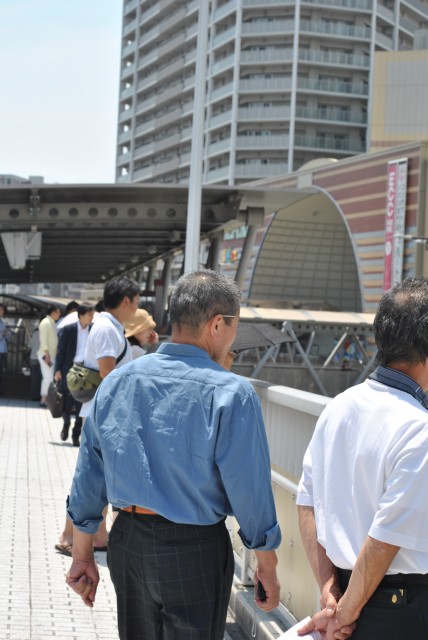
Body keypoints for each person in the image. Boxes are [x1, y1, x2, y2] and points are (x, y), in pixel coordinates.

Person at [65, 269, 281, 640]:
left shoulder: (119, 380)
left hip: (128, 540)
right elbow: (249, 487)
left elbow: (89, 471)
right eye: (233, 327)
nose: (232, 337)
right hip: (196, 546)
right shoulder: (232, 393)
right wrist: (266, 563)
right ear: (217, 325)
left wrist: (82, 554)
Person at [296, 277, 428, 640]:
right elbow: (386, 536)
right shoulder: (419, 426)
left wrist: (329, 592)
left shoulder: (338, 407)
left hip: (344, 591)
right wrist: (345, 613)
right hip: (399, 607)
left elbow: (307, 500)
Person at [55, 276, 139, 558]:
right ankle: (69, 535)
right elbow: (108, 373)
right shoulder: (105, 328)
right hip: (104, 414)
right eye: (137, 302)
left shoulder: (110, 326)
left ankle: (97, 535)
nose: (137, 309)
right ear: (126, 301)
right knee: (89, 479)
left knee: (97, 477)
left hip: (106, 413)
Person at [54, 302, 95, 446]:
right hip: (70, 369)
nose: (92, 317)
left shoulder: (94, 329)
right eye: (89, 314)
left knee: (81, 403)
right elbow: (61, 351)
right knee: (66, 400)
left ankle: (76, 434)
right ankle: (66, 423)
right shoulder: (68, 330)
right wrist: (57, 370)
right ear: (81, 315)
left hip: (86, 371)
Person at [37, 304, 61, 407]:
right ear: (54, 312)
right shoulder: (45, 322)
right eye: (58, 312)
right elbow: (43, 339)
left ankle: (45, 399)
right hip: (45, 354)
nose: (59, 314)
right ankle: (43, 399)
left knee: (50, 378)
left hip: (50, 355)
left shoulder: (52, 323)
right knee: (48, 377)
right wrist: (46, 353)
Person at [0, 303, 11, 394]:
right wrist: (2, 334)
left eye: (3, 310)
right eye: (1, 310)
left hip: (3, 349)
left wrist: (7, 333)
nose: (2, 312)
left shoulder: (3, 322)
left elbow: (8, 335)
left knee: (1, 371)